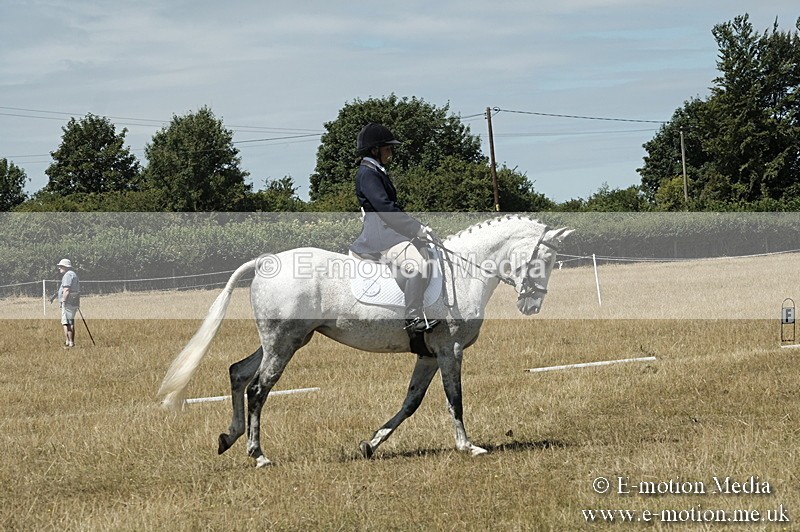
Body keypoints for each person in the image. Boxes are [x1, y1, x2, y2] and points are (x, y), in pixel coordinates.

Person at [349, 123, 440, 333]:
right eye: (387, 148)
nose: (391, 153)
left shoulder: (375, 170)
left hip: (388, 230)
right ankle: (413, 318)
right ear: (375, 150)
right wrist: (416, 229)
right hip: (381, 235)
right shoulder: (368, 173)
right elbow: (385, 208)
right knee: (417, 264)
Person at [56, 258, 80, 348]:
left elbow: (66, 290)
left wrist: (63, 301)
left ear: (65, 266)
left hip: (68, 302)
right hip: (74, 301)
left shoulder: (67, 275)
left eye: (61, 266)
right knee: (69, 321)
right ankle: (68, 341)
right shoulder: (73, 274)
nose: (59, 268)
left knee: (67, 322)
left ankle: (70, 343)